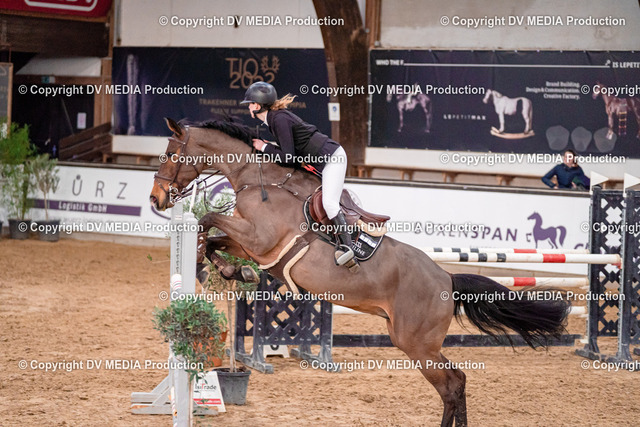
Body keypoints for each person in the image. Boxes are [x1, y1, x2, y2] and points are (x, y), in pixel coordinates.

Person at [240, 82, 357, 270]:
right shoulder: (274, 119)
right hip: (321, 160)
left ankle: (348, 248)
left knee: (329, 204)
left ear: (258, 105)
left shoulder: (278, 119)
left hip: (332, 158)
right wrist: (267, 146)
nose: (248, 107)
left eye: (250, 103)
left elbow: (288, 158)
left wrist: (264, 147)